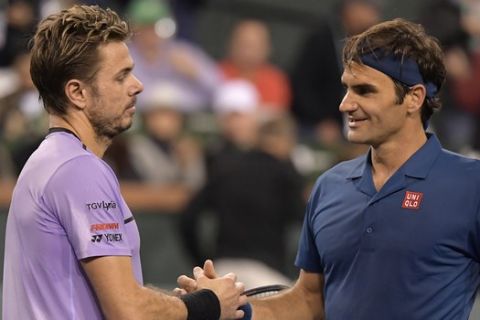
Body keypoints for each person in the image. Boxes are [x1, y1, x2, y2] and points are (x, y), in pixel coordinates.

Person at [178, 18, 480, 320]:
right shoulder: (330, 186)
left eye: (365, 91)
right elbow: (308, 300)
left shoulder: (470, 185)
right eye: (347, 89)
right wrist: (231, 310)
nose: (345, 104)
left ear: (414, 98)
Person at [2, 5, 247, 320]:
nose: (138, 85)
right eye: (121, 76)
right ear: (77, 92)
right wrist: (210, 304)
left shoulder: (49, 161)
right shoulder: (79, 170)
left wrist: (182, 305)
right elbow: (127, 309)